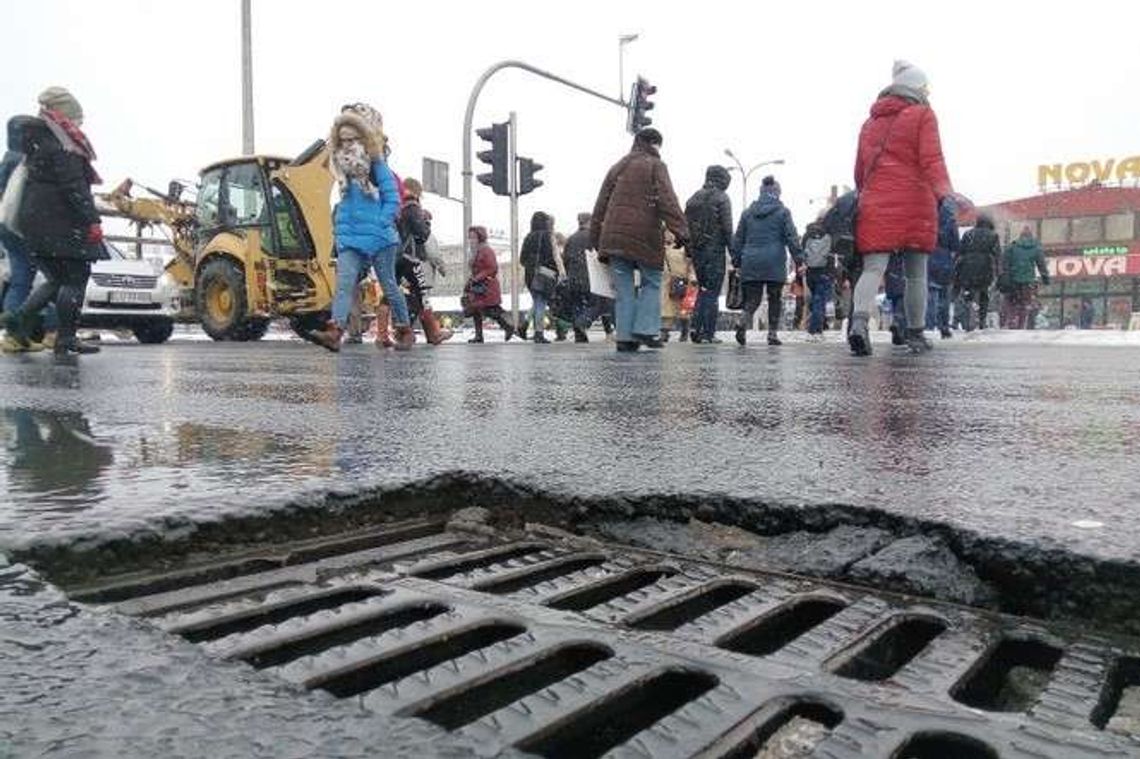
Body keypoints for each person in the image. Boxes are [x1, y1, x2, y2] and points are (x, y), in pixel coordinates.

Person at [848, 60, 953, 356]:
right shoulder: (923, 115)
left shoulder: (870, 123)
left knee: (873, 268)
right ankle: (915, 333)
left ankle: (858, 323)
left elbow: (859, 172)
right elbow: (932, 159)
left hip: (876, 202)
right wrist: (945, 193)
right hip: (915, 202)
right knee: (916, 273)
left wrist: (871, 194)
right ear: (917, 88)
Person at [2, 87, 103, 356]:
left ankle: (17, 322)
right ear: (63, 114)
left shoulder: (39, 139)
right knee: (75, 278)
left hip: (38, 221)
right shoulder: (63, 143)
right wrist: (92, 220)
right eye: (76, 118)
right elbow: (74, 186)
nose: (79, 124)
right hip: (60, 221)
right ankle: (65, 339)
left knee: (57, 279)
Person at [308, 109, 411, 351]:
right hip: (351, 236)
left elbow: (392, 198)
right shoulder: (340, 167)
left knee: (388, 285)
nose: (347, 144)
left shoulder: (376, 164)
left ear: (363, 139)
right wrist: (340, 227)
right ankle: (335, 331)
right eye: (342, 139)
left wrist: (381, 222)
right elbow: (345, 201)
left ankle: (404, 329)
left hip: (380, 237)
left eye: (352, 139)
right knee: (344, 284)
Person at [590, 127, 689, 352]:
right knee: (651, 281)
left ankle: (625, 337)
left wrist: (597, 240)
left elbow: (600, 205)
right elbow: (667, 201)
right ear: (655, 144)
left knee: (624, 289)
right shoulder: (656, 165)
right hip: (645, 235)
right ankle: (646, 329)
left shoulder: (617, 167)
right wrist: (683, 233)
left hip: (614, 239)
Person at [731, 175, 802, 346]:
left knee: (753, 299)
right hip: (774, 261)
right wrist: (799, 259)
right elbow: (792, 237)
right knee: (774, 298)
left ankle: (743, 320)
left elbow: (738, 239)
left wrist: (736, 260)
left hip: (751, 261)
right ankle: (772, 334)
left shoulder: (747, 213)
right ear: (777, 193)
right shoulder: (783, 212)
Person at [396, 177, 451, 345]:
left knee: (394, 295)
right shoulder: (413, 209)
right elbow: (427, 241)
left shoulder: (396, 208)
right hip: (413, 259)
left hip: (395, 256)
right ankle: (430, 333)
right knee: (421, 296)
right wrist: (441, 267)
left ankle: (386, 333)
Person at [684, 165, 733, 344]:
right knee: (712, 292)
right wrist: (734, 254)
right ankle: (708, 332)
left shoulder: (693, 199)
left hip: (697, 252)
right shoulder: (722, 198)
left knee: (703, 289)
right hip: (715, 251)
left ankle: (696, 328)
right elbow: (727, 229)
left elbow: (685, 228)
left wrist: (689, 250)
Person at [462, 225, 516, 343]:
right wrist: (470, 283)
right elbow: (475, 270)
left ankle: (508, 326)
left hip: (487, 286)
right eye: (470, 237)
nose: (471, 240)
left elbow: (492, 268)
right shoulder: (474, 251)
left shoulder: (486, 250)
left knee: (491, 310)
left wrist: (477, 278)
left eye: (473, 237)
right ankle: (479, 335)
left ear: (480, 237)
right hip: (478, 286)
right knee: (476, 310)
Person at [519, 211, 563, 344]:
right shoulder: (546, 236)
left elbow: (522, 259)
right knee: (541, 303)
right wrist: (556, 271)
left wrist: (531, 265)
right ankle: (539, 333)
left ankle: (524, 325)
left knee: (537, 301)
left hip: (529, 274)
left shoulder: (528, 237)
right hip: (544, 273)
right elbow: (550, 256)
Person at [955, 213, 1001, 331]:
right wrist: (999, 271)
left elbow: (960, 251)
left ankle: (966, 319)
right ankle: (982, 321)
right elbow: (997, 255)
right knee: (984, 294)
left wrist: (957, 268)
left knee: (968, 292)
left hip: (968, 266)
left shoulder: (968, 234)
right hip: (985, 267)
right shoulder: (993, 235)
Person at [1003, 226, 1050, 330]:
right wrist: (1045, 278)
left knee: (1012, 302)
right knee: (1025, 303)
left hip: (1013, 279)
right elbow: (1041, 265)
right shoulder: (1036, 248)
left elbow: (1005, 263)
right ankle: (1021, 324)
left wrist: (1005, 276)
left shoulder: (1012, 247)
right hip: (1028, 281)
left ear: (1020, 236)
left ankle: (1012, 320)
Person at [926, 198, 959, 339]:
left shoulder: (926, 214)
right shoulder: (950, 219)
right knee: (944, 295)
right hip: (945, 259)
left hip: (928, 256)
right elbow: (955, 244)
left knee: (930, 293)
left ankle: (928, 325)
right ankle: (944, 326)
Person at [560, 212, 596, 342]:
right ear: (589, 221)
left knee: (576, 304)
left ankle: (579, 333)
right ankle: (582, 323)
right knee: (596, 303)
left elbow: (565, 259)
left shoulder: (571, 239)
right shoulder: (593, 237)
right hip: (589, 275)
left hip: (573, 276)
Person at [801, 220, 834, 339]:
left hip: (810, 271)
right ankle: (814, 331)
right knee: (819, 301)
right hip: (824, 271)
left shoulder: (807, 235)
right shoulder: (829, 235)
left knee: (815, 301)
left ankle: (818, 328)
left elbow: (802, 253)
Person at [660, 229, 695, 342]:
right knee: (668, 308)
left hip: (682, 282)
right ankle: (665, 331)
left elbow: (690, 265)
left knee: (683, 308)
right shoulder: (663, 249)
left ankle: (684, 330)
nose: (668, 236)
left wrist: (692, 277)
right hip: (668, 283)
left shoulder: (684, 249)